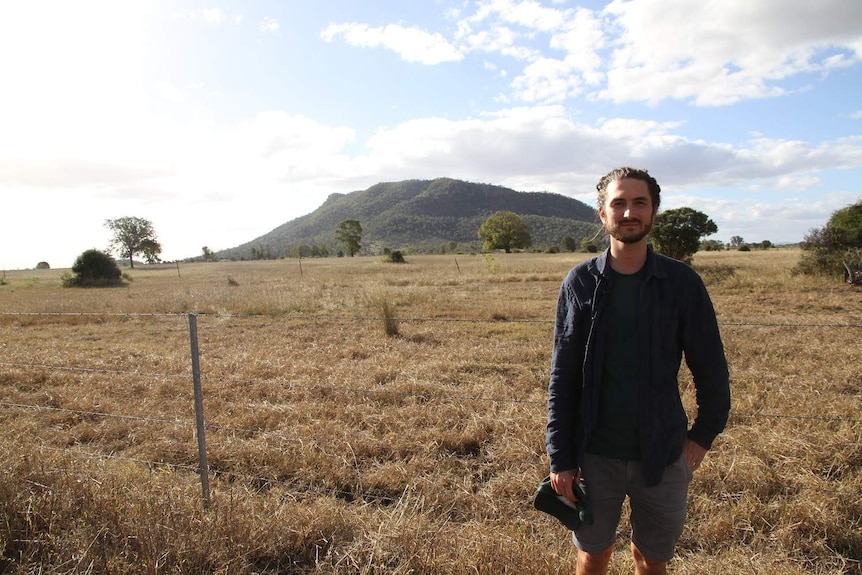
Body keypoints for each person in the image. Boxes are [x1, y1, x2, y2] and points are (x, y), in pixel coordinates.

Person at [545, 167, 730, 574]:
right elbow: (563, 377)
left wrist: (701, 437)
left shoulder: (681, 283)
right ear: (602, 214)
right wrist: (560, 456)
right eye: (619, 203)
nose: (629, 212)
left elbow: (711, 369)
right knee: (593, 554)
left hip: (663, 455)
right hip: (594, 454)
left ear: (654, 211)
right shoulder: (580, 283)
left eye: (639, 203)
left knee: (652, 558)